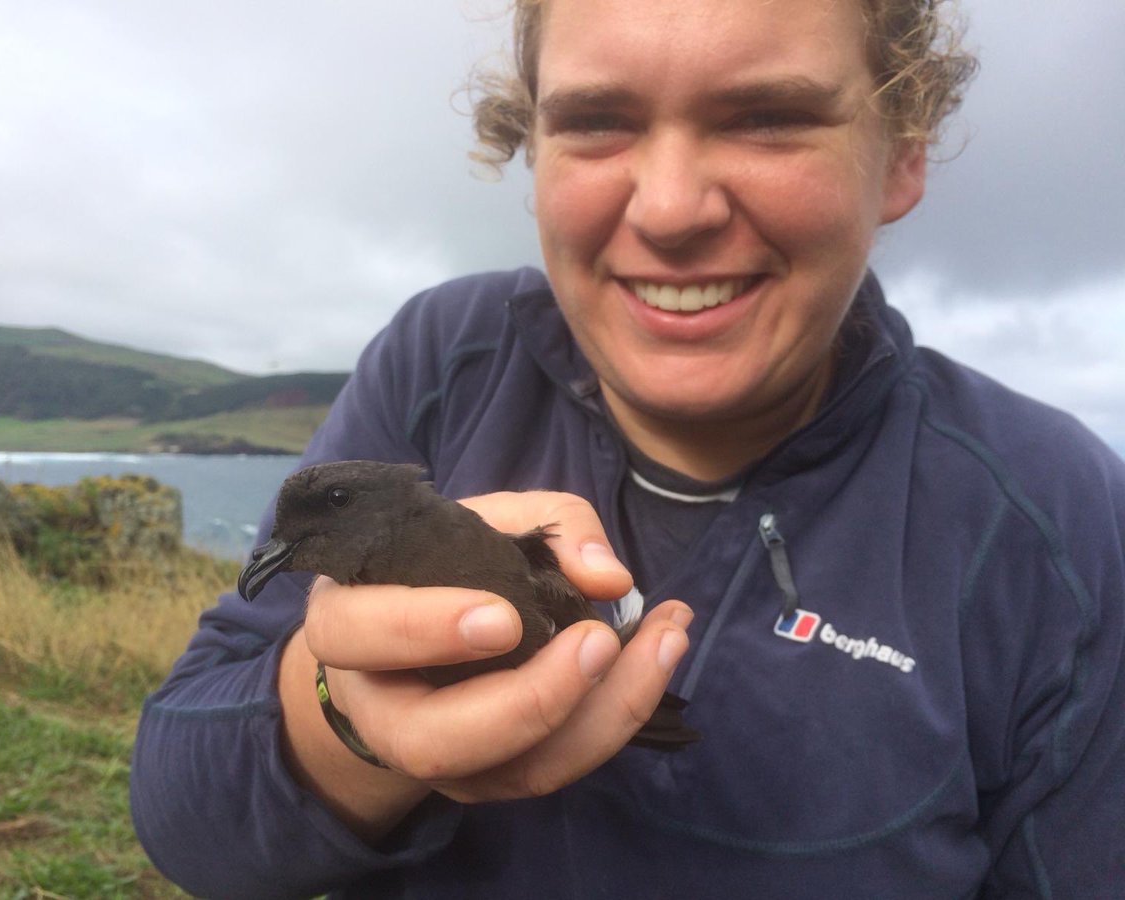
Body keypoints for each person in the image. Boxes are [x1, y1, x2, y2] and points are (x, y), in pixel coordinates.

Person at [129, 0, 1125, 896]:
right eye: (598, 122)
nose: (669, 208)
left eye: (768, 116)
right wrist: (343, 718)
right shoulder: (443, 365)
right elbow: (187, 825)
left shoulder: (1059, 519)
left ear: (903, 153)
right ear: (534, 149)